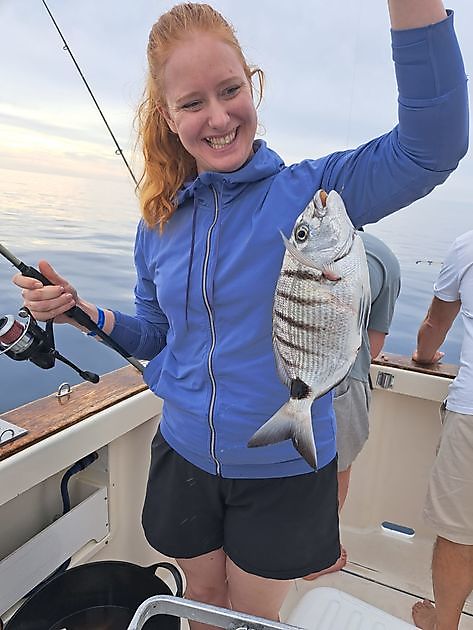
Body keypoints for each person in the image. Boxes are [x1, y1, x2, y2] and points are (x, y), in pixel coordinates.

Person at [12, 2, 468, 625]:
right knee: (200, 601)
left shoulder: (312, 195)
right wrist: (84, 313)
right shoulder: (158, 222)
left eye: (230, 90)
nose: (219, 117)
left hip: (284, 467)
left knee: (253, 616)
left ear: (253, 86)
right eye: (192, 102)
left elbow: (431, 145)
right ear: (168, 117)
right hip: (183, 452)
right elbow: (157, 336)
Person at [304, 231, 401, 580]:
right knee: (338, 468)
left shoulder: (292, 248)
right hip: (344, 383)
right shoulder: (382, 255)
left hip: (288, 375)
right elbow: (374, 342)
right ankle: (316, 556)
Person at [411, 230, 473, 630]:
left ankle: (445, 623)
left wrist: (423, 355)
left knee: (458, 533)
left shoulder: (468, 245)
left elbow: (435, 323)